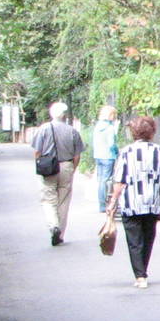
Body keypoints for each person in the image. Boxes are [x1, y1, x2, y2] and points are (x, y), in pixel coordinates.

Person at [104, 115, 160, 289]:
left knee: (134, 240)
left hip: (131, 203)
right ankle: (142, 270)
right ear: (152, 132)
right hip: (153, 202)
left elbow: (120, 180)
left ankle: (140, 275)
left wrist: (113, 201)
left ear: (133, 132)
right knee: (148, 237)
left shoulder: (126, 152)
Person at [33, 102, 84, 246]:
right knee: (64, 201)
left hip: (48, 167)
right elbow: (77, 155)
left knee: (48, 199)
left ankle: (53, 225)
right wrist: (72, 169)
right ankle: (60, 233)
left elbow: (37, 151)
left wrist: (40, 165)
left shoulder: (43, 129)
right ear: (64, 115)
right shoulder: (72, 131)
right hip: (67, 166)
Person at [92, 104, 121, 209]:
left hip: (98, 155)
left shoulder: (97, 126)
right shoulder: (109, 128)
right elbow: (111, 144)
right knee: (106, 180)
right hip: (108, 157)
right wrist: (117, 152)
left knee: (100, 180)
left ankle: (101, 204)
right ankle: (104, 205)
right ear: (111, 115)